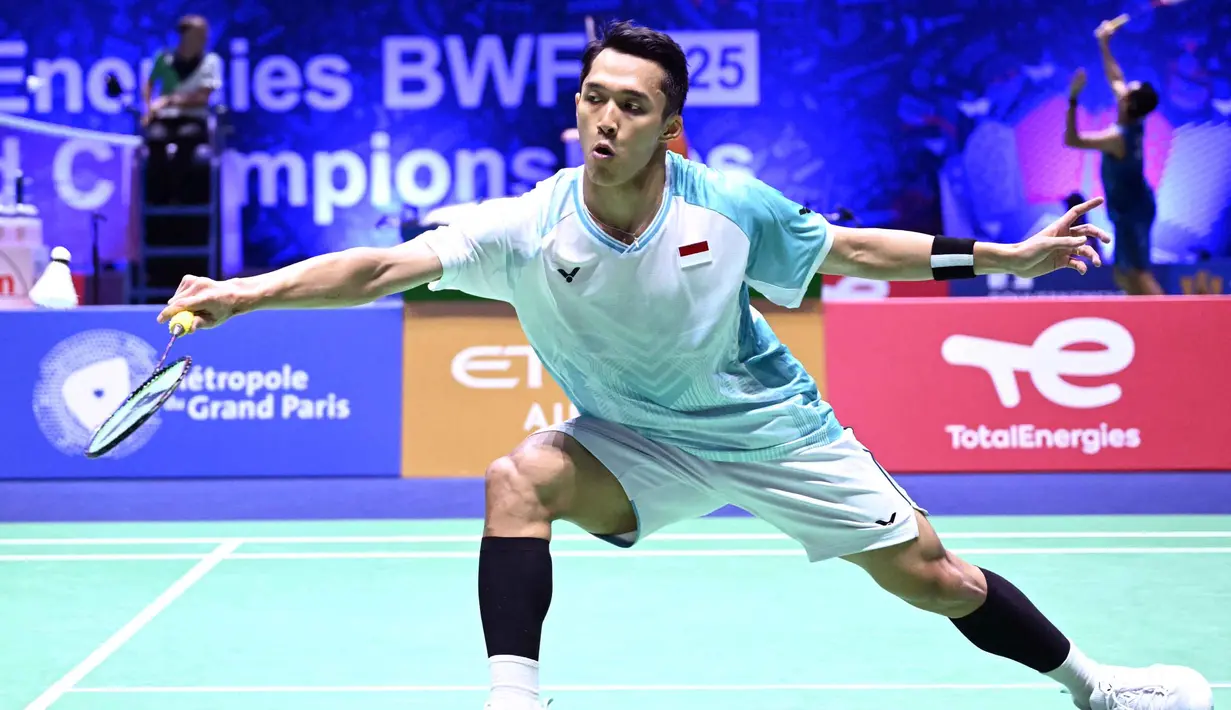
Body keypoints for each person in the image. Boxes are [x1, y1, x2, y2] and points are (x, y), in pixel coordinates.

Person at [158, 21, 1212, 710]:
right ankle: (513, 695)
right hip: (634, 441)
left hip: (774, 432)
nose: (603, 117)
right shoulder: (529, 225)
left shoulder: (727, 204)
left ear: (670, 126)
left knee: (936, 578)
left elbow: (850, 248)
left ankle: (1093, 684)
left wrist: (1002, 256)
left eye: (629, 104)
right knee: (515, 476)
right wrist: (243, 292)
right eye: (592, 97)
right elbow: (384, 264)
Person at [1064, 16, 1164, 296]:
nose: (1122, 87)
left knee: (1138, 273)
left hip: (1133, 213)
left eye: (1127, 90)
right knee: (1123, 273)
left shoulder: (1117, 139)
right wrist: (1104, 43)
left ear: (1128, 101)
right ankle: (1144, 323)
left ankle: (1172, 326)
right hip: (1130, 209)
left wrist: (1073, 99)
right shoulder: (1135, 119)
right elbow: (1116, 77)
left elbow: (1073, 140)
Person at [141, 14, 223, 203]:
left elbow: (202, 97)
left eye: (205, 35)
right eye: (199, 34)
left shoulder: (210, 62)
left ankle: (180, 197)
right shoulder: (164, 58)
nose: (204, 39)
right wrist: (149, 109)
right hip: (165, 119)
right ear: (184, 36)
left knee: (187, 138)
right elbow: (149, 85)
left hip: (193, 119)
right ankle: (157, 198)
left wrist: (170, 100)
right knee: (155, 138)